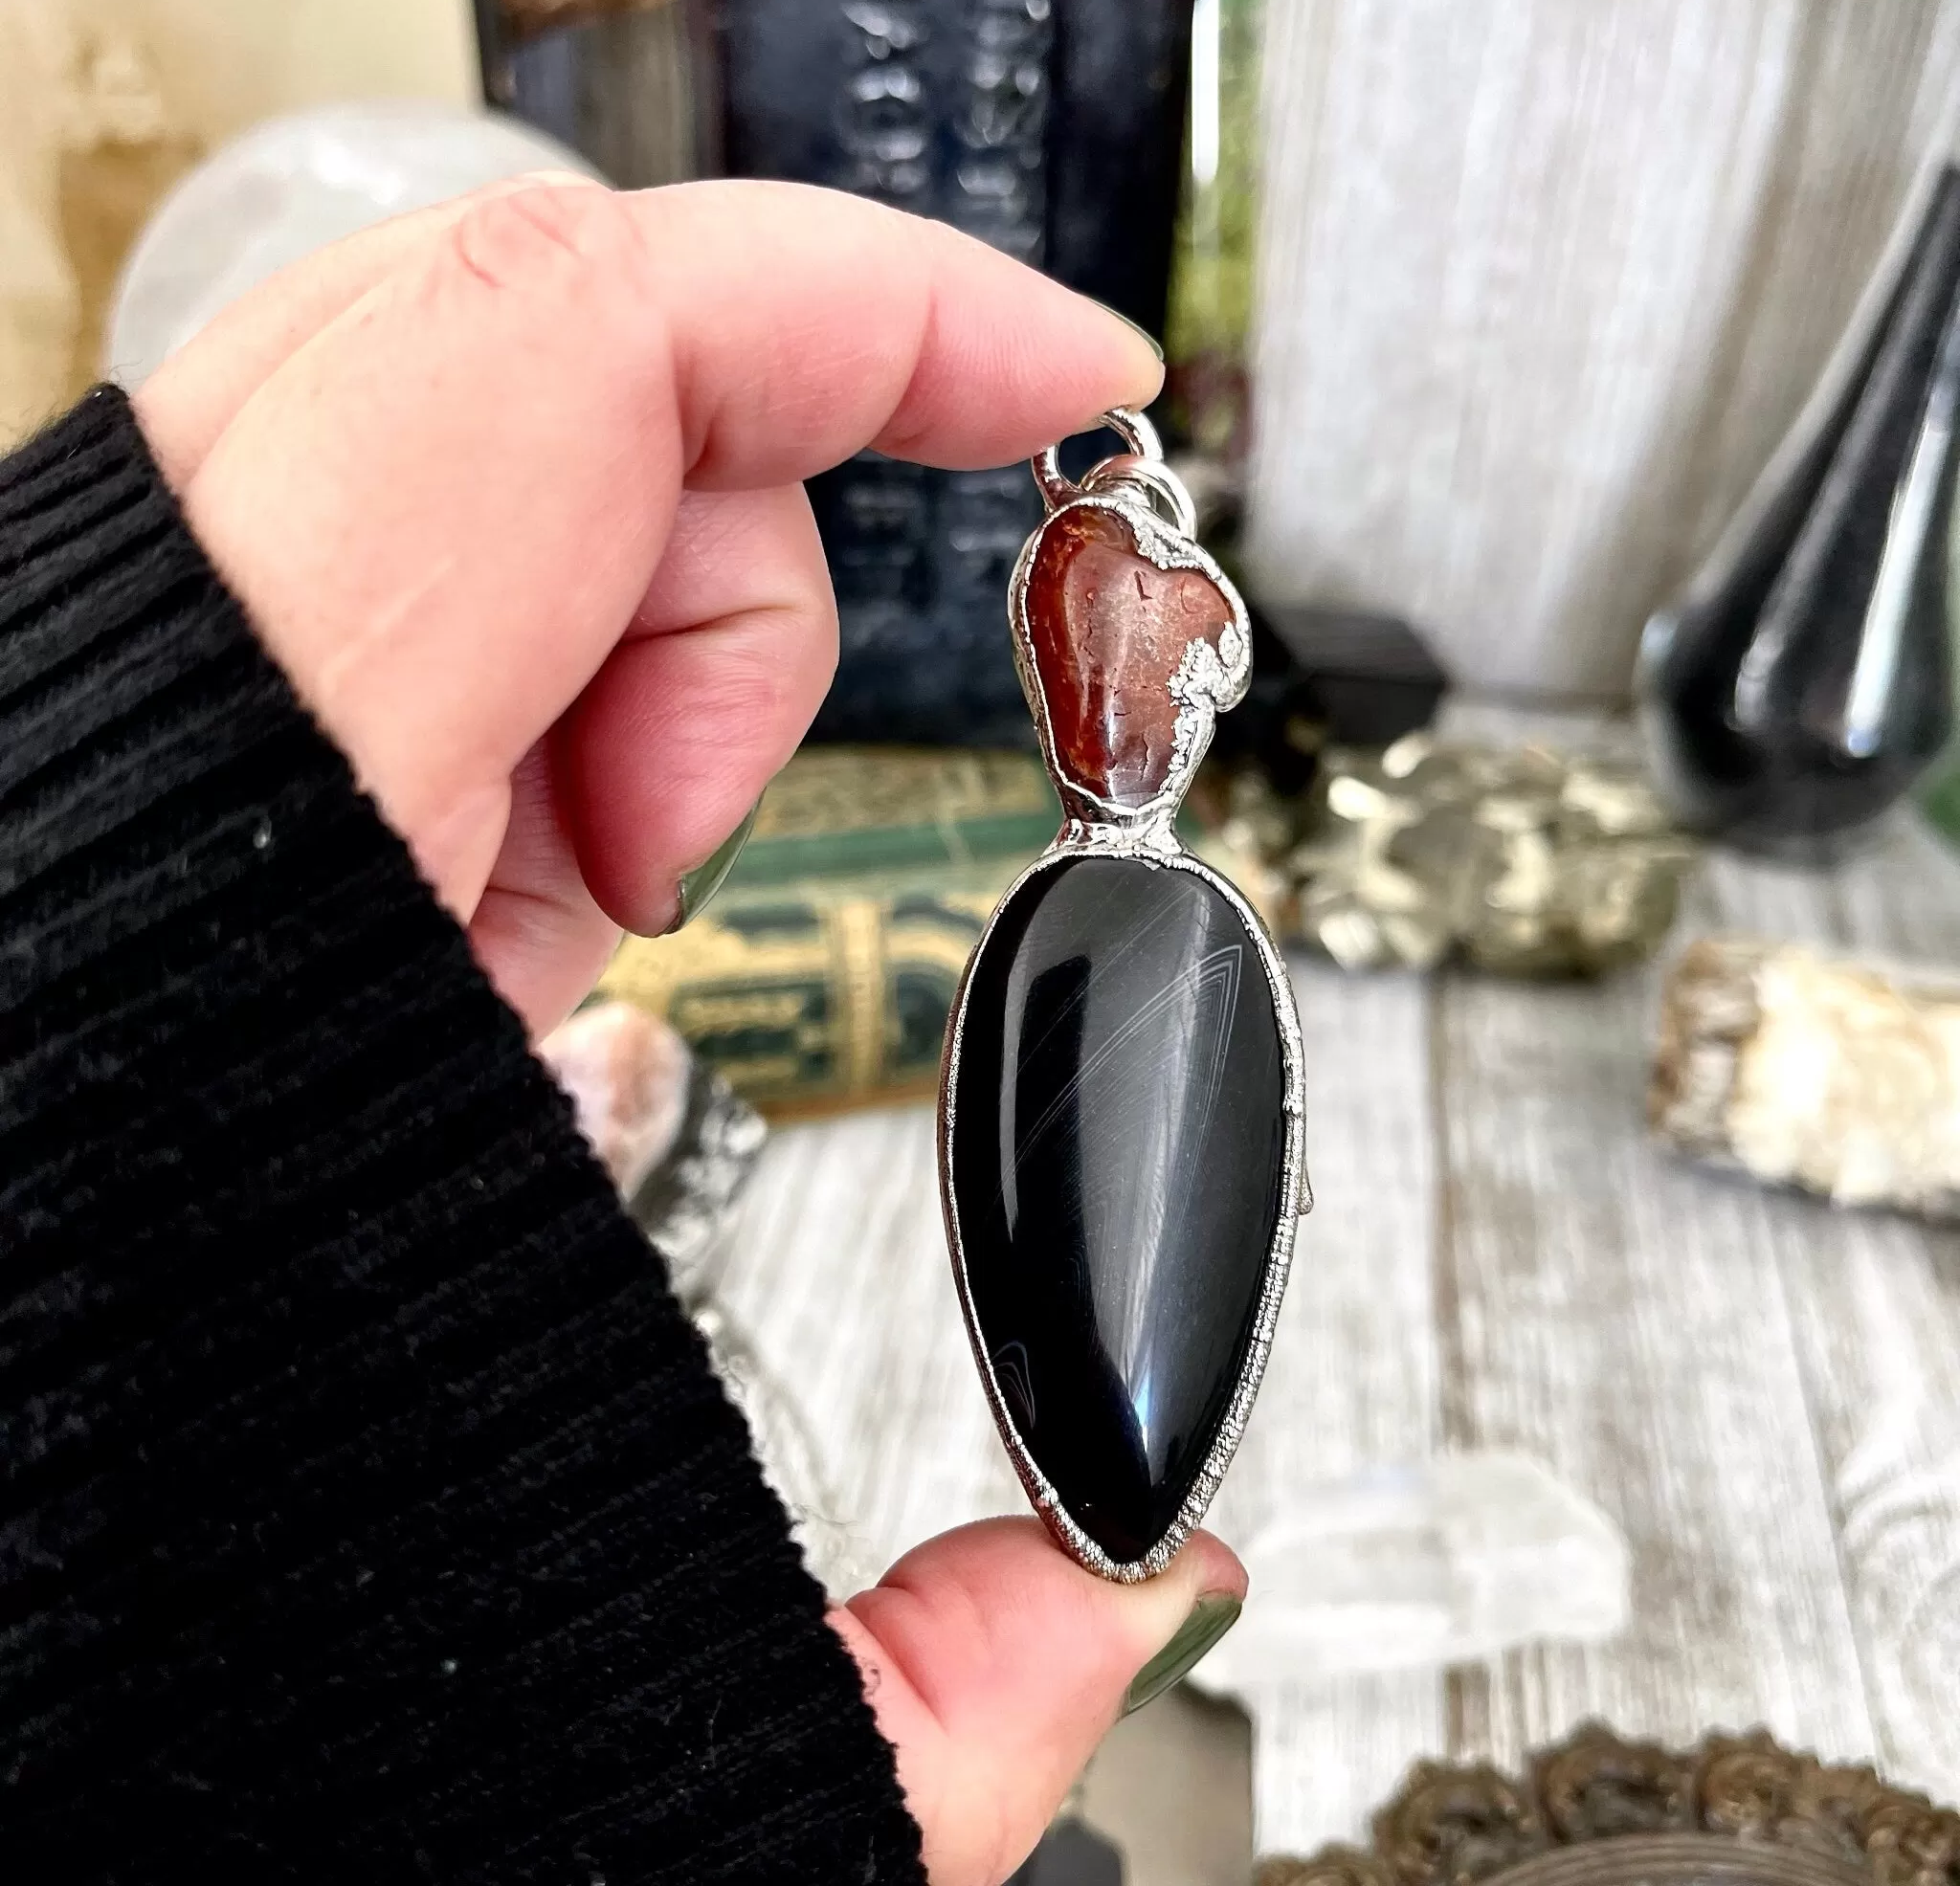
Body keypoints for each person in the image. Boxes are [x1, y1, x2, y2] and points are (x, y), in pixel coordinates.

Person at [0, 177, 1245, 1883]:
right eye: (1177, 661)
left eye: (1187, 674)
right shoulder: (1134, 923)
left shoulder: (1121, 929)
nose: (1172, 689)